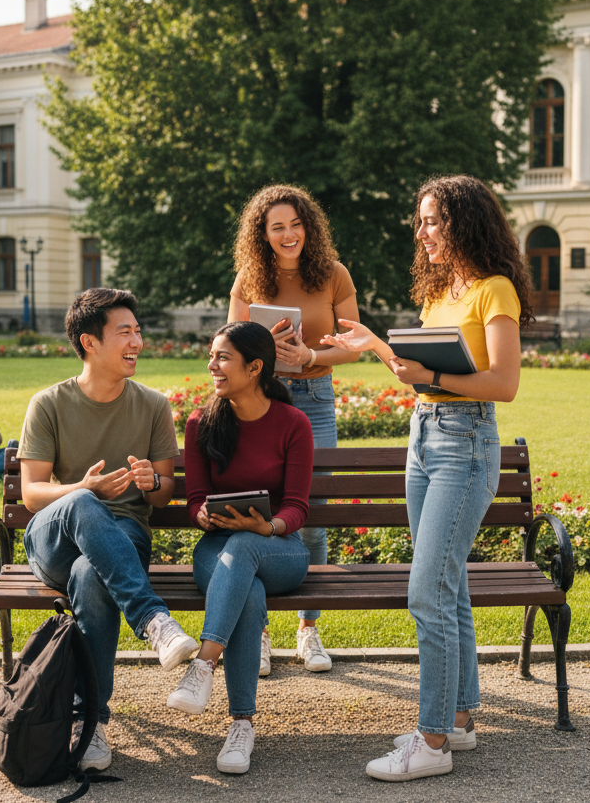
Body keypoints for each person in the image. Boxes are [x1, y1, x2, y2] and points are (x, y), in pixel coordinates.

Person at [322, 174, 534, 782]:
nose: (423, 232)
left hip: (464, 444)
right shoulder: (440, 293)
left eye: (433, 220)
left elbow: (504, 384)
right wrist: (373, 346)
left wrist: (431, 380)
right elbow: (416, 372)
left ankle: (432, 741)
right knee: (449, 585)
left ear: (464, 222)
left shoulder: (494, 291)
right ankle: (461, 718)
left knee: (427, 592)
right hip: (423, 436)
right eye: (421, 221)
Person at [19, 288, 199, 774]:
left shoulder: (153, 405)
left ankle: (92, 723)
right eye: (125, 332)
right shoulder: (49, 403)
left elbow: (162, 495)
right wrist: (83, 488)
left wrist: (152, 480)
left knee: (92, 578)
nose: (137, 340)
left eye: (138, 331)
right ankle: (154, 622)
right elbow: (33, 493)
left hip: (123, 538)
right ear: (89, 342)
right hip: (53, 536)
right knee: (80, 504)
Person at [166, 321, 314, 774]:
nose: (212, 365)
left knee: (247, 547)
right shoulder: (200, 423)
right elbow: (194, 500)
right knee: (246, 593)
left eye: (222, 358)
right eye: (212, 356)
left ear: (254, 368)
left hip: (279, 550)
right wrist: (202, 516)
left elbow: (297, 507)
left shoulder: (293, 424)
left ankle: (203, 665)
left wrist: (267, 526)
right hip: (218, 552)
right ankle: (241, 727)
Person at [228, 184, 361, 675]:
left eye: (295, 224)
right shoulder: (249, 279)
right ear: (262, 233)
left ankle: (309, 628)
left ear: (309, 226)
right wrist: (265, 350)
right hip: (261, 401)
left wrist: (310, 356)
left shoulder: (333, 274)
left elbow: (352, 344)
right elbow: (228, 349)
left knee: (314, 510)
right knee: (259, 504)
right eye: (276, 226)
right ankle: (260, 632)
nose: (288, 234)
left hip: (315, 399)